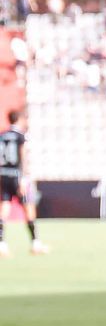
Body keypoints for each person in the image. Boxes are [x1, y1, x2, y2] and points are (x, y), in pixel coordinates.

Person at [0, 109, 46, 257]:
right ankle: (35, 244)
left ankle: (1, 244)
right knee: (29, 208)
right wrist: (23, 178)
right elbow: (23, 157)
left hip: (3, 175)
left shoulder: (2, 136)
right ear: (19, 119)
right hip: (16, 176)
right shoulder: (20, 136)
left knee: (4, 209)